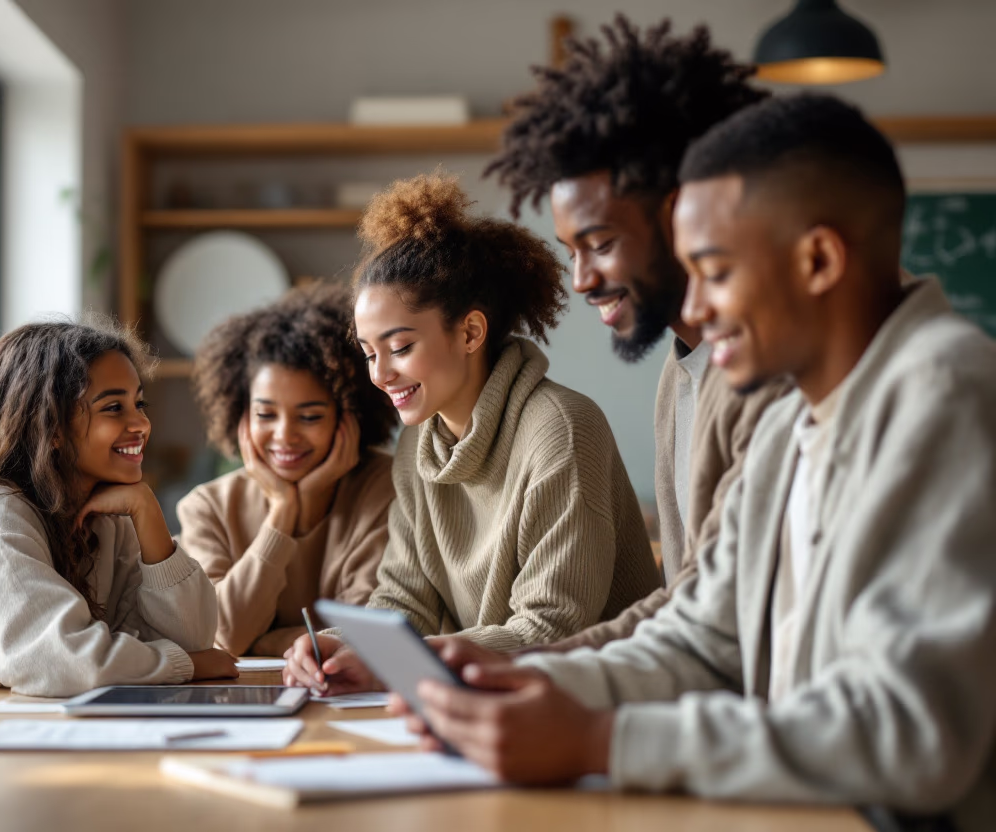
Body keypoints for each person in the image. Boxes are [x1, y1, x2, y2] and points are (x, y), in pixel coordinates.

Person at [401, 94, 996, 830]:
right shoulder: (792, 423)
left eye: (713, 271)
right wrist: (525, 684)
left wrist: (602, 740)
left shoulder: (944, 392)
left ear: (817, 259)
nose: (699, 309)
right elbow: (705, 637)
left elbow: (910, 731)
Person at [478, 17, 790, 652]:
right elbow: (690, 593)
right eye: (571, 250)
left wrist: (541, 668)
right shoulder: (680, 373)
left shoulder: (779, 375)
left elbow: (723, 615)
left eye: (601, 244)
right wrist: (520, 662)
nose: (581, 279)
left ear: (687, 212)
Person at [283, 172, 660, 694]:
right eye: (370, 353)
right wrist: (337, 641)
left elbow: (554, 626)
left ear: (470, 332)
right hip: (495, 698)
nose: (380, 374)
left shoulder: (562, 429)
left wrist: (397, 660)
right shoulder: (418, 443)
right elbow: (404, 600)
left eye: (399, 347)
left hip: (596, 704)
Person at [0, 319, 235, 728]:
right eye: (114, 407)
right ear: (52, 427)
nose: (140, 423)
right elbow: (65, 661)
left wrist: (149, 513)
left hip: (20, 742)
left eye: (140, 404)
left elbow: (193, 639)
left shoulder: (106, 513)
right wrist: (183, 665)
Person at [177, 283, 398, 657]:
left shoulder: (386, 488)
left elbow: (372, 630)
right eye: (265, 414)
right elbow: (224, 634)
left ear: (350, 415)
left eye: (310, 416)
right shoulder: (207, 508)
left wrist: (261, 642)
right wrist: (283, 515)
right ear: (240, 414)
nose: (285, 436)